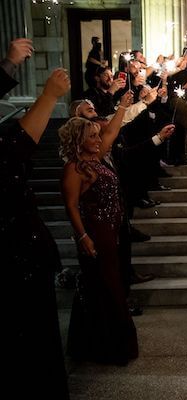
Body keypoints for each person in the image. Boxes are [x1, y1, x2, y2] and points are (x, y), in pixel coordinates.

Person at [2, 67, 70, 400]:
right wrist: (48, 97)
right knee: (31, 337)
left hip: (26, 251)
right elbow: (16, 148)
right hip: (15, 256)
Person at [59, 92, 140, 365]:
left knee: (105, 286)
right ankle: (113, 348)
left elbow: (114, 131)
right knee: (109, 288)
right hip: (96, 233)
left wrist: (122, 108)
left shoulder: (96, 158)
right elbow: (71, 206)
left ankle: (99, 344)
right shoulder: (75, 168)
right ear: (80, 141)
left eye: (97, 136)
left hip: (111, 230)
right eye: (92, 136)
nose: (98, 139)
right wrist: (83, 236)